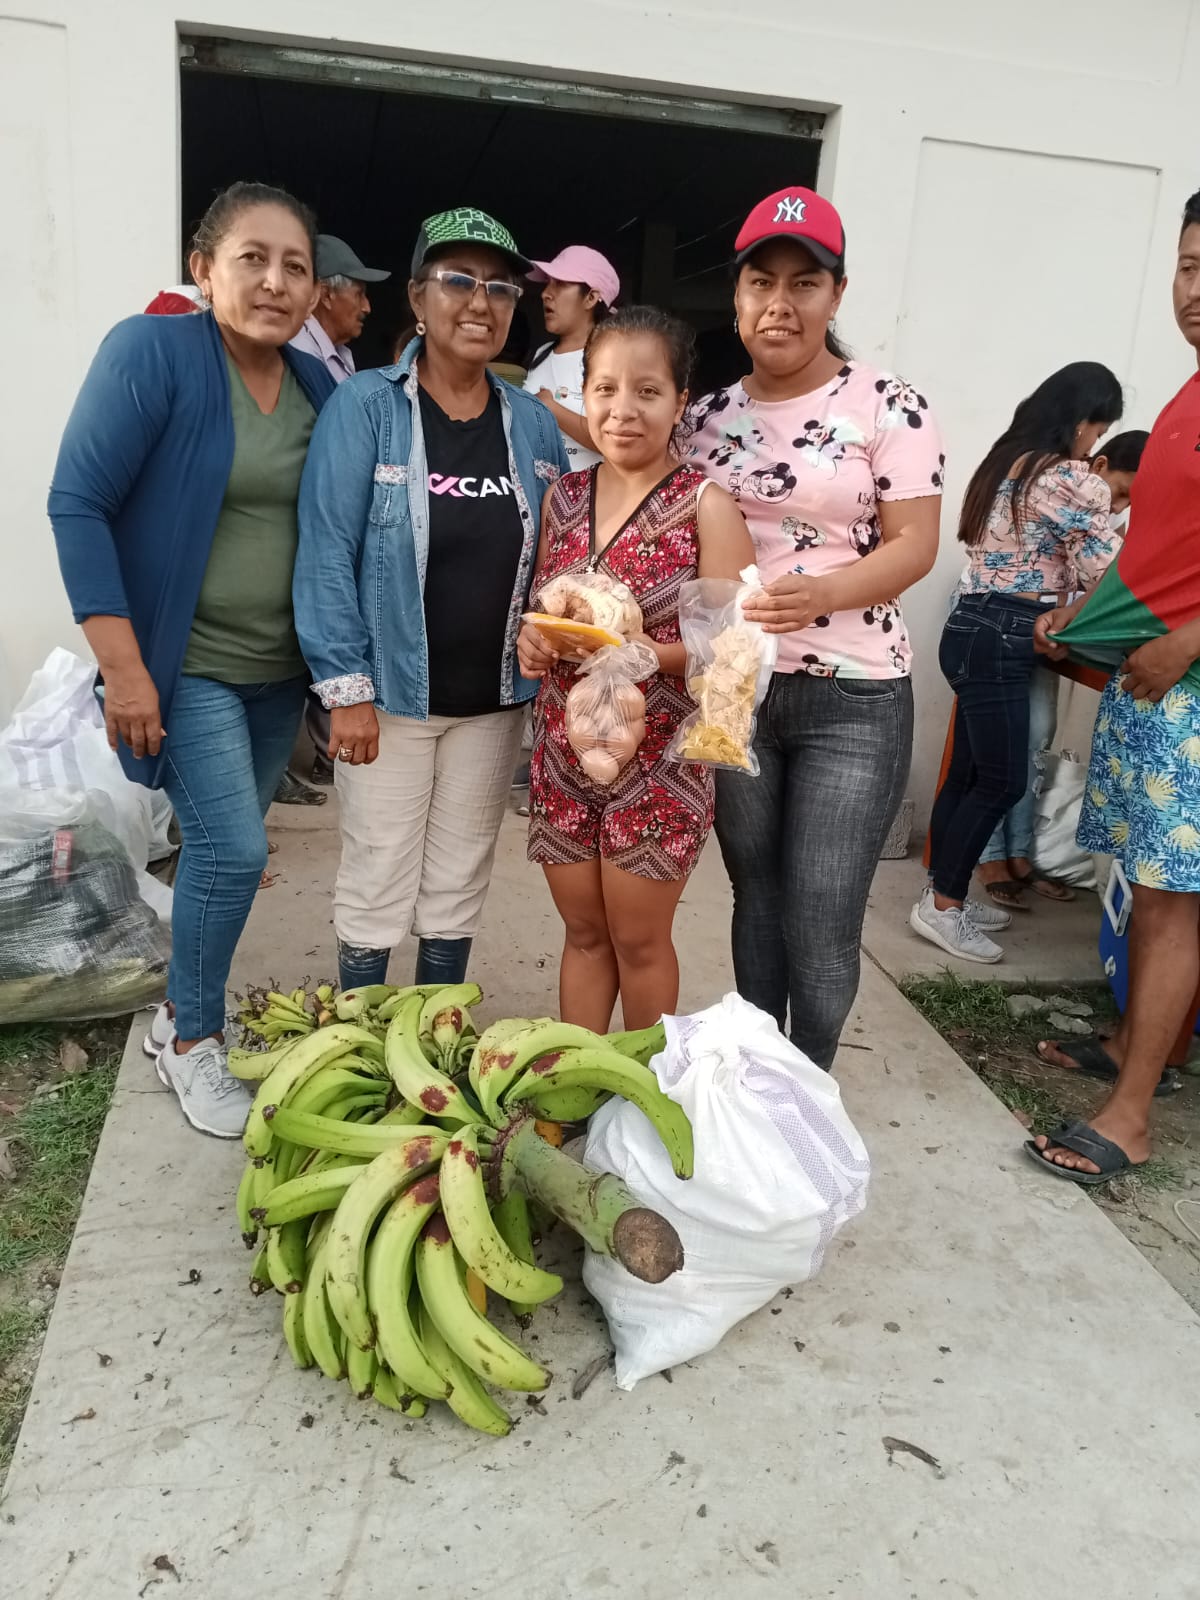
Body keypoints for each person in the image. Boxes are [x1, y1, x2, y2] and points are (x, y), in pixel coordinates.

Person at [48, 181, 336, 1137]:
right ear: (203, 267)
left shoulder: (317, 387)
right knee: (235, 849)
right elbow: (78, 503)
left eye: (296, 266)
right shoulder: (154, 352)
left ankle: (180, 1010)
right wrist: (126, 669)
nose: (276, 282)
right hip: (188, 666)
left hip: (277, 675)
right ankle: (193, 1037)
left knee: (223, 854)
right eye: (253, 258)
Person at [682, 186, 943, 1071]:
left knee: (823, 915)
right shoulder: (704, 418)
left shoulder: (889, 405)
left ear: (837, 294)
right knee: (755, 898)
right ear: (737, 294)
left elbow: (916, 545)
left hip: (853, 697)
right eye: (761, 282)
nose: (780, 304)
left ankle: (811, 1089)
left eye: (804, 283)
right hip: (736, 692)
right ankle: (762, 1085)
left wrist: (822, 593)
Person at [294, 207, 570, 993]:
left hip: (494, 702)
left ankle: (435, 1029)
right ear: (418, 297)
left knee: (458, 878)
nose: (481, 302)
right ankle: (360, 1039)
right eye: (458, 281)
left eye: (500, 288)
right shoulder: (367, 408)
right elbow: (325, 552)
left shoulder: (532, 425)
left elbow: (560, 553)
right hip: (388, 700)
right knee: (378, 872)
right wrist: (346, 690)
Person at [1028, 188, 1200, 1182]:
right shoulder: (1183, 397)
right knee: (1144, 884)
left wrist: (1187, 642)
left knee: (1173, 904)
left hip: (1188, 689)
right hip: (1151, 686)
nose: (1195, 289)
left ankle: (1130, 1116)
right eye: (1188, 266)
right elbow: (1158, 551)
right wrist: (1085, 621)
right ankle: (1144, 1047)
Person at [518, 306, 753, 1030]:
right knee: (584, 935)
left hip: (661, 764)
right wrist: (535, 644)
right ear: (584, 395)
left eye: (647, 391)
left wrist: (650, 655)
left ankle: (645, 1087)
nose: (623, 410)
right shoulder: (563, 498)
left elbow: (740, 657)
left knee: (639, 942)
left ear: (681, 402)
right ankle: (576, 1077)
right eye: (605, 389)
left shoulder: (705, 507)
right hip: (564, 753)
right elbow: (544, 610)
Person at [915, 362, 1124, 959]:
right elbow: (1109, 571)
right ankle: (942, 907)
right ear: (1082, 421)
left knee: (969, 774)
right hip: (1005, 630)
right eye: (1099, 431)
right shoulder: (1070, 478)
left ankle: (945, 892)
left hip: (970, 624)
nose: (1095, 445)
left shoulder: (1003, 465)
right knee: (1001, 780)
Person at [973, 427, 1149, 912]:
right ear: (1099, 465)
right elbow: (1111, 575)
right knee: (1000, 742)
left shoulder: (1096, 518)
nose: (1118, 506)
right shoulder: (1065, 490)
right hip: (1006, 618)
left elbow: (1103, 580)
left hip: (1045, 625)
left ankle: (1019, 851)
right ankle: (991, 856)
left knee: (1036, 736)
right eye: (1120, 492)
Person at [524, 247, 620, 471]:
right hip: (539, 489)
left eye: (560, 283)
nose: (545, 293)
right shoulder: (542, 353)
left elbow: (616, 439)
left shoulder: (614, 359)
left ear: (591, 298)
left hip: (590, 491)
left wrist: (551, 408)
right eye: (548, 283)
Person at [289, 233, 390, 383]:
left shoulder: (336, 353)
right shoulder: (301, 355)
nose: (367, 308)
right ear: (326, 296)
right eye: (358, 294)